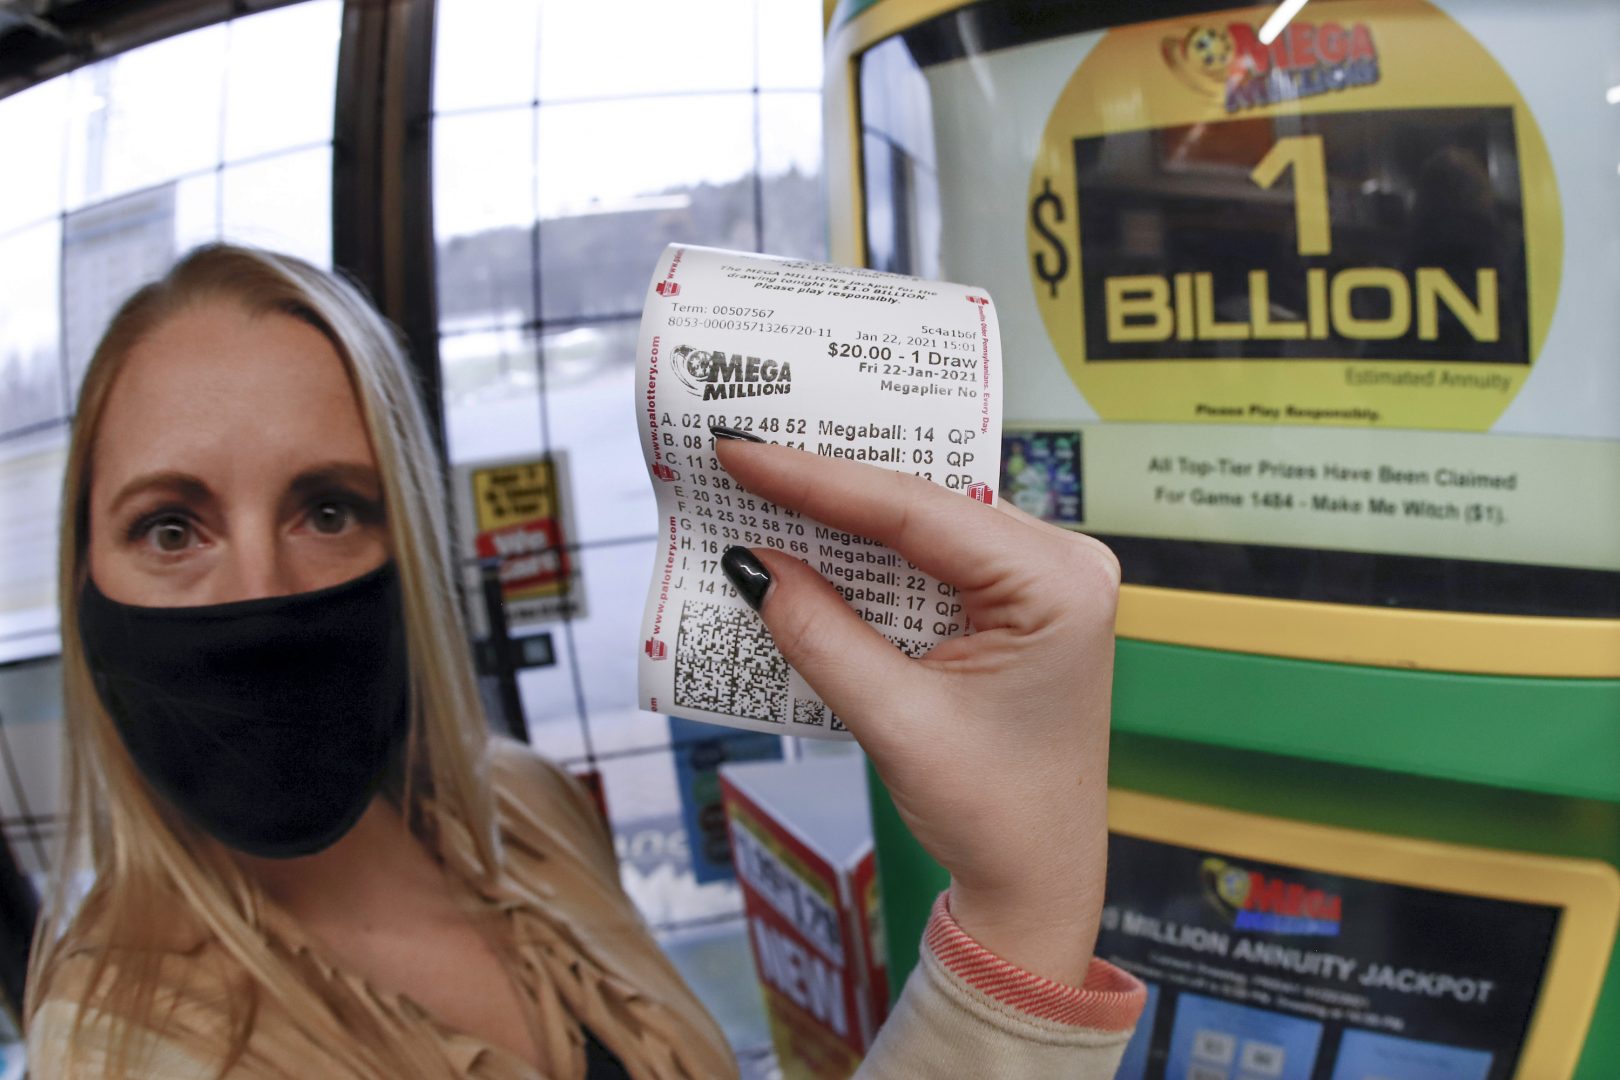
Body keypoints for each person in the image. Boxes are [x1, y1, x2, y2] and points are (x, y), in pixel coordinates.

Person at [24, 244, 1145, 1078]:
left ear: (408, 537)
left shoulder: (525, 808)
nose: (261, 591)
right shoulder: (116, 1044)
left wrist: (1018, 907)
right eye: (170, 528)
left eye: (329, 509)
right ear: (85, 579)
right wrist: (1021, 927)